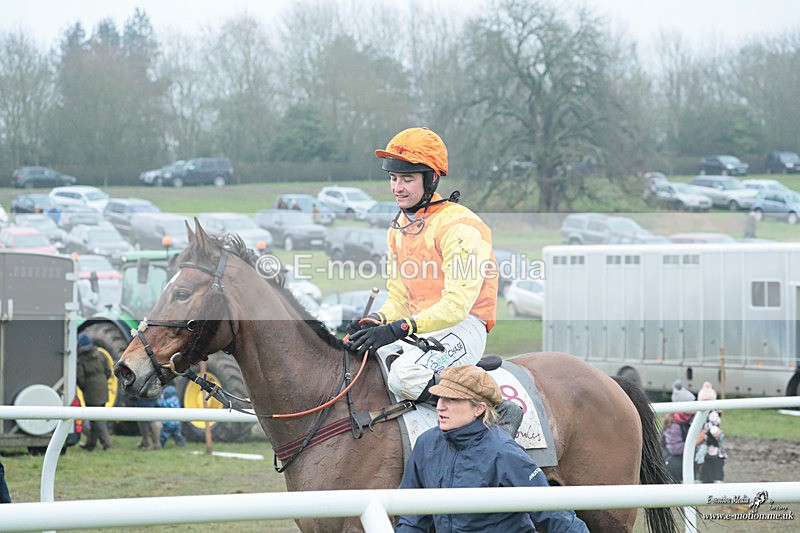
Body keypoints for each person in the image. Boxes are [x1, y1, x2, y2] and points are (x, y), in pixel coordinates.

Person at [346, 127, 522, 434]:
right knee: (361, 364)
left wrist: (398, 328)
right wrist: (376, 321)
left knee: (403, 375)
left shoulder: (461, 226)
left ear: (431, 180)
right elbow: (399, 298)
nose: (397, 187)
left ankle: (495, 408)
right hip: (421, 328)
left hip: (464, 325)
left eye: (407, 179)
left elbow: (456, 306)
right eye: (393, 178)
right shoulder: (398, 228)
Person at [395, 365, 588, 532]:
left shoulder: (504, 452)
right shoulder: (425, 444)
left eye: (451, 400)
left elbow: (553, 514)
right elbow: (412, 516)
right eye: (439, 398)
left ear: (479, 409)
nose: (440, 407)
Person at [75, 333, 113, 451]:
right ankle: (91, 444)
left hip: (91, 391)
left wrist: (84, 387)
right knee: (96, 418)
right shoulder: (101, 354)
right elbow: (108, 371)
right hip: (103, 388)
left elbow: (80, 378)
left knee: (97, 420)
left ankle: (107, 444)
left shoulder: (80, 359)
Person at [695, 382, 726, 483]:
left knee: (716, 469)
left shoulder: (714, 415)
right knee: (705, 471)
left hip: (713, 448)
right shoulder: (699, 415)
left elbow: (713, 429)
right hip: (704, 448)